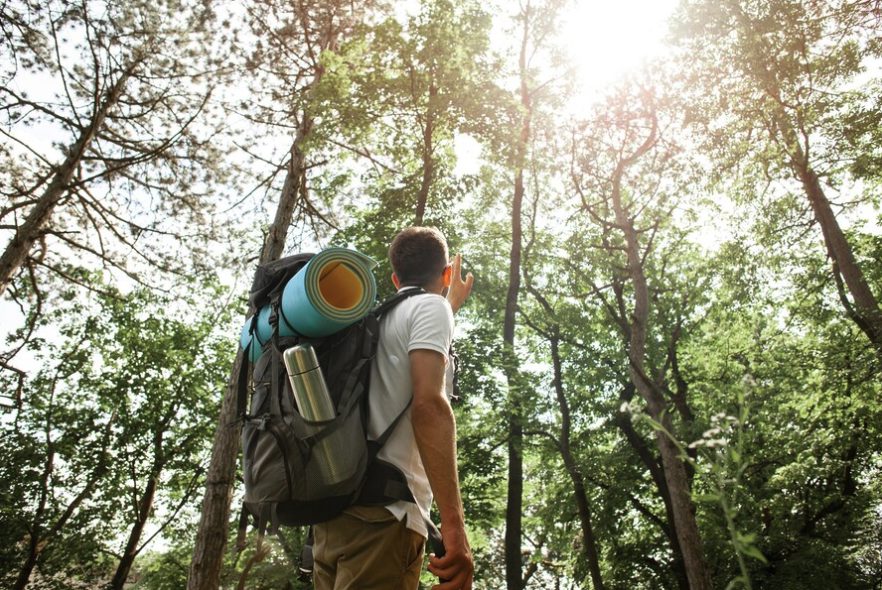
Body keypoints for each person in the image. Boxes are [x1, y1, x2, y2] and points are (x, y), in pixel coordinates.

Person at [312, 226, 475, 590]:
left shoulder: (374, 322)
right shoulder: (431, 308)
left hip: (335, 520)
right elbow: (429, 406)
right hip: (384, 521)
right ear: (447, 273)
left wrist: (449, 308)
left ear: (395, 278)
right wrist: (454, 527)